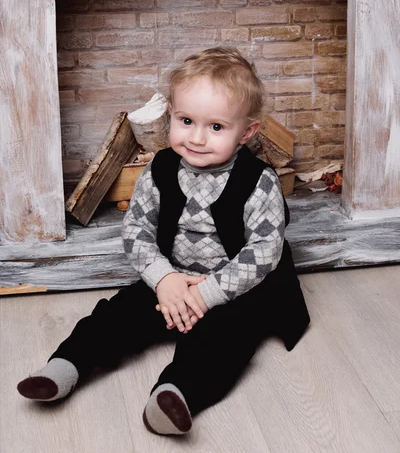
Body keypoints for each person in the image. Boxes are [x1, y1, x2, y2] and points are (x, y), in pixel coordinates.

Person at [17, 47, 310, 436]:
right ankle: (65, 366)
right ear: (171, 112)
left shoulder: (259, 181)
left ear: (248, 131)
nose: (197, 137)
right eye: (186, 120)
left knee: (225, 339)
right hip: (170, 277)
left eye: (217, 127)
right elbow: (136, 229)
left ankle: (177, 394)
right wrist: (164, 279)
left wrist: (206, 295)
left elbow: (264, 252)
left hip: (232, 288)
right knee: (116, 315)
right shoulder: (159, 169)